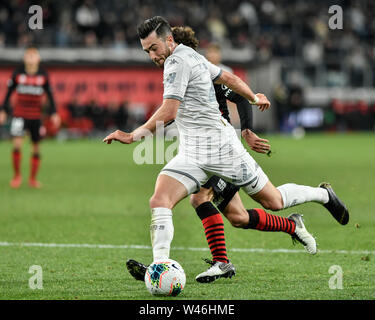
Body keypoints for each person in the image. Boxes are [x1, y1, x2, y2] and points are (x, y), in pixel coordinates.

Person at [103, 16, 348, 283]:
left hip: (223, 151)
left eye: (153, 48)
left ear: (169, 40)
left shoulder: (177, 61)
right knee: (161, 200)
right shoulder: (190, 55)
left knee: (273, 201)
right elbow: (229, 78)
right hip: (192, 154)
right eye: (146, 51)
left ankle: (322, 195)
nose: (151, 55)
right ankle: (161, 265)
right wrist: (254, 97)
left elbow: (170, 110)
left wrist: (133, 135)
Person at [0, 46, 60, 188]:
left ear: (38, 59)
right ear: (25, 58)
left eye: (34, 55)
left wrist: (54, 113)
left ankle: (32, 179)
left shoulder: (43, 75)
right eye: (29, 55)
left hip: (36, 116)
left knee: (36, 147)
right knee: (17, 145)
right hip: (19, 115)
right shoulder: (17, 74)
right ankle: (17, 176)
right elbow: (8, 93)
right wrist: (3, 110)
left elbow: (50, 96)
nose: (31, 58)